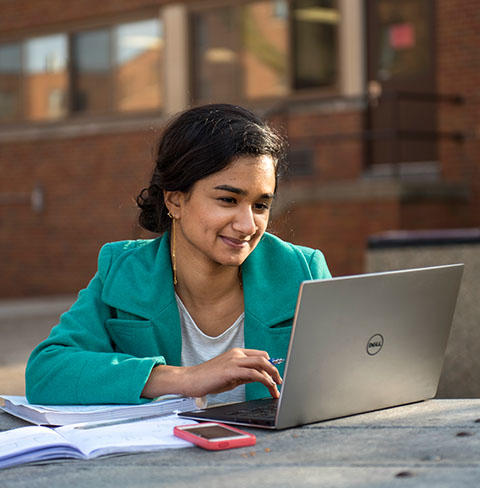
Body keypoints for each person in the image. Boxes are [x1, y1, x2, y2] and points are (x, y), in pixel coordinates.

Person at [25, 104, 331, 406]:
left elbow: (348, 377)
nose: (247, 225)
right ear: (174, 201)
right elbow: (46, 373)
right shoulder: (124, 271)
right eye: (227, 199)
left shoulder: (303, 271)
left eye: (261, 205)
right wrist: (185, 378)